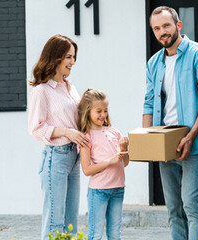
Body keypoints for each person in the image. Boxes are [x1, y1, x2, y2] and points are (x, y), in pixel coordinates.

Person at [143, 6, 198, 240]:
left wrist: (190, 136)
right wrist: (146, 139)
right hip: (164, 141)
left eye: (166, 26)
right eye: (156, 28)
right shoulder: (154, 63)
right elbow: (149, 103)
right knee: (173, 208)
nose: (162, 32)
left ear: (178, 25)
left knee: (192, 205)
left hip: (194, 141)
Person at [28, 34, 89, 240]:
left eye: (73, 57)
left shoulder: (69, 87)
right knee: (55, 221)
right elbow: (36, 128)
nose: (73, 62)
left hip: (74, 157)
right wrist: (66, 132)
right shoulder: (42, 91)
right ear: (56, 58)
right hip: (56, 157)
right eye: (68, 57)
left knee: (71, 222)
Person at [77, 89, 129, 240]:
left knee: (115, 234)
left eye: (105, 110)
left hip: (118, 189)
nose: (103, 115)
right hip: (99, 191)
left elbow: (124, 163)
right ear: (88, 112)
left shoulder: (115, 132)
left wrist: (124, 148)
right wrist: (109, 161)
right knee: (96, 234)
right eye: (98, 111)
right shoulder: (86, 137)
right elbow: (86, 170)